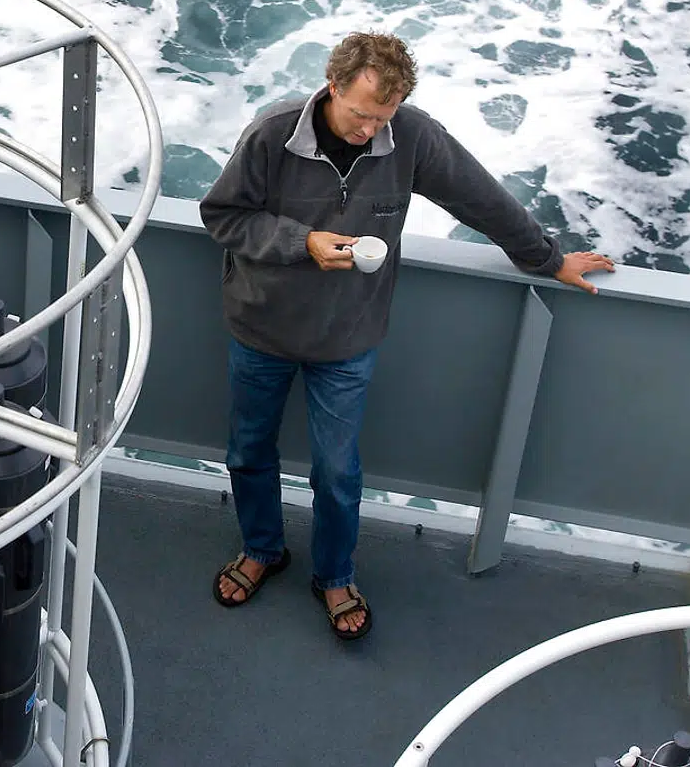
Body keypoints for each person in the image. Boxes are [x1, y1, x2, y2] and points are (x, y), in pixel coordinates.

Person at [198, 31, 615, 640]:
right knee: (247, 452)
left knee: (338, 471)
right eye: (361, 115)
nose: (371, 131)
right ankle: (262, 548)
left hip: (348, 338)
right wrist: (301, 242)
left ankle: (335, 574)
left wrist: (548, 259)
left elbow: (483, 201)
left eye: (384, 117)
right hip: (260, 326)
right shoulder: (271, 132)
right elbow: (224, 215)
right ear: (332, 87)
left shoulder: (411, 134)